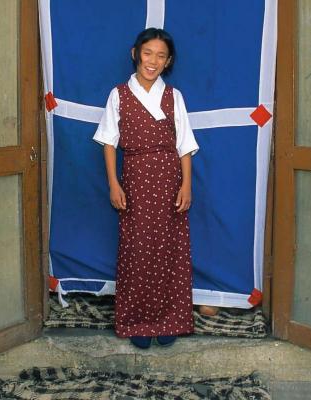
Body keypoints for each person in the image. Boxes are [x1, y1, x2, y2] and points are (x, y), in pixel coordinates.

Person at [93, 28, 199, 349]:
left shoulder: (174, 97)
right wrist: (114, 183)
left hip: (168, 180)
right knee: (136, 249)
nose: (153, 61)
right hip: (136, 179)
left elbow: (184, 146)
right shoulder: (119, 95)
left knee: (169, 248)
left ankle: (169, 319)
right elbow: (109, 142)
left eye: (161, 56)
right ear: (135, 53)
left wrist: (186, 186)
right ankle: (136, 319)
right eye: (148, 53)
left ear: (168, 62)